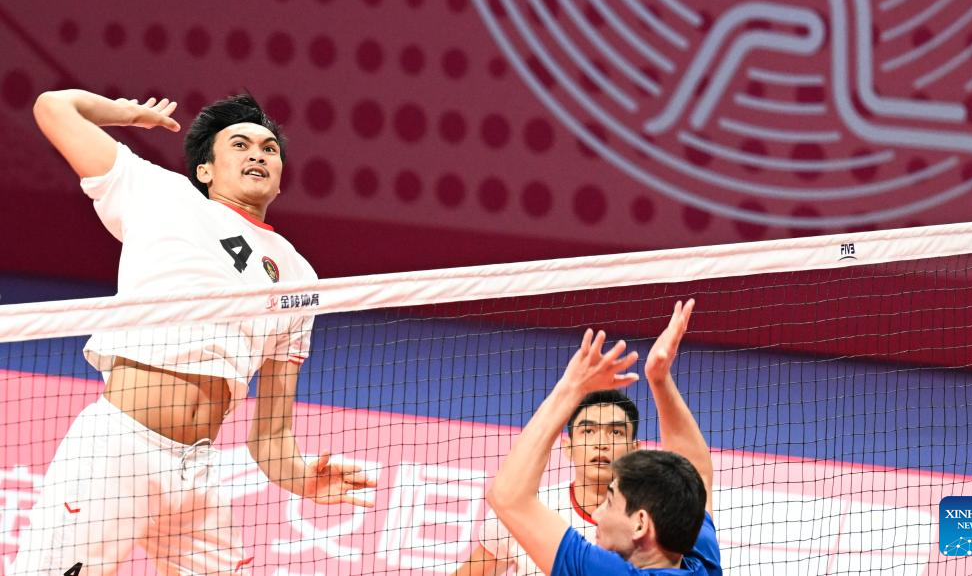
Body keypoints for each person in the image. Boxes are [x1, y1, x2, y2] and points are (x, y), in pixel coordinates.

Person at [12, 90, 373, 575]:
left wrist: (302, 479)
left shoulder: (298, 275)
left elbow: (272, 435)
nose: (258, 155)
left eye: (269, 149)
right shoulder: (161, 194)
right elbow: (53, 108)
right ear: (205, 170)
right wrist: (127, 114)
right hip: (118, 452)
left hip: (197, 470)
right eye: (240, 145)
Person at [486, 300, 721, 576]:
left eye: (610, 502)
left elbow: (507, 496)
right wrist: (659, 378)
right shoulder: (700, 563)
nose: (597, 515)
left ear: (640, 524)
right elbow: (696, 471)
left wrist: (571, 388)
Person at [455, 390, 641, 576]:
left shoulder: (647, 528)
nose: (601, 443)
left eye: (616, 432)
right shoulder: (524, 510)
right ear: (568, 447)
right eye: (588, 431)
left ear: (635, 451)